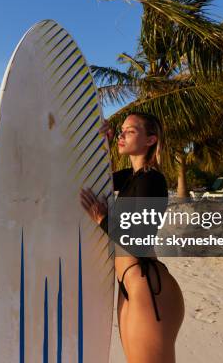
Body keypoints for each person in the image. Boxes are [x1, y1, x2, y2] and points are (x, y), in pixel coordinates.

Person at [79, 113, 185, 363]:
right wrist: (102, 145)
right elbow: (97, 181)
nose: (122, 134)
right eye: (121, 130)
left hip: (148, 285)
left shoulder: (153, 180)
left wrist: (102, 220)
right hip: (131, 284)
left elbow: (138, 239)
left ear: (150, 140)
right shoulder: (133, 178)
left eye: (131, 130)